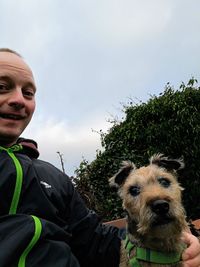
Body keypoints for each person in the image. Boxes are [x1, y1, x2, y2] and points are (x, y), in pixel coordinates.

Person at [0, 48, 199, 267]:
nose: (19, 99)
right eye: (2, 87)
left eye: (28, 93)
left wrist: (184, 246)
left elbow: (96, 242)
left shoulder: (53, 178)